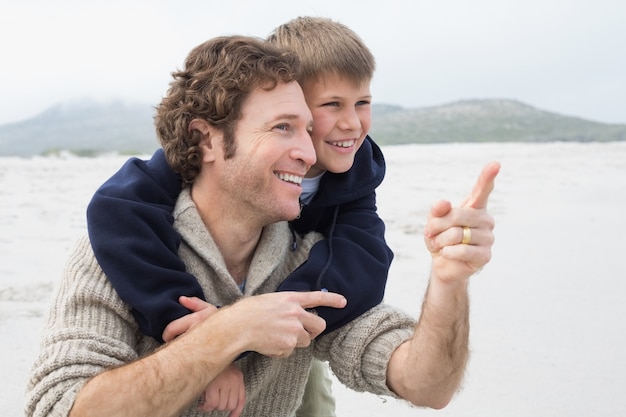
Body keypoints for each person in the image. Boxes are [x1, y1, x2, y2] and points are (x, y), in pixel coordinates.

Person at [26, 35, 500, 417]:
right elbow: (58, 410)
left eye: (305, 129)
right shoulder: (118, 244)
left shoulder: (311, 257)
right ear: (205, 139)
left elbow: (428, 385)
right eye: (282, 128)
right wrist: (223, 336)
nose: (311, 153)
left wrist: (448, 282)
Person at [85, 16, 391, 417]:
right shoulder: (197, 165)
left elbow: (363, 263)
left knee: (315, 401)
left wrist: (270, 317)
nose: (352, 123)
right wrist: (205, 332)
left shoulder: (356, 174)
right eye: (332, 104)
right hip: (203, 301)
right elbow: (116, 213)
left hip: (285, 306)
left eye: (362, 103)